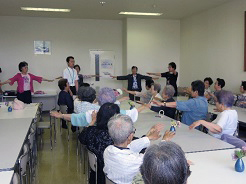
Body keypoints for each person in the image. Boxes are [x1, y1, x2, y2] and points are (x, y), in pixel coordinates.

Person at [103, 114, 175, 184]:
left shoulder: (107, 150)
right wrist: (164, 142)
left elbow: (129, 147)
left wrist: (147, 137)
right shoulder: (135, 161)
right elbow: (156, 159)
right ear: (130, 136)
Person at [79, 103, 119, 184]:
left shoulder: (91, 131)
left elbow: (81, 138)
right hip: (110, 175)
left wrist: (93, 121)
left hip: (95, 174)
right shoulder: (114, 137)